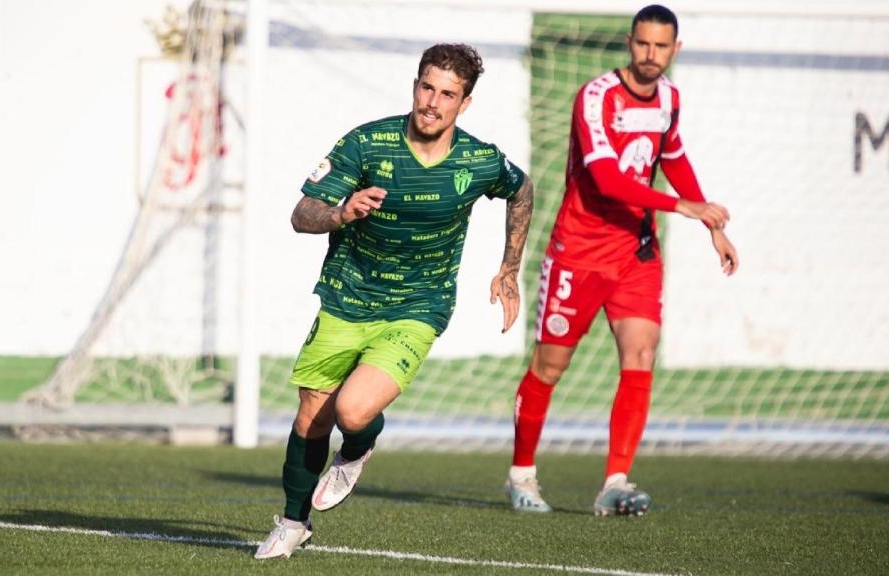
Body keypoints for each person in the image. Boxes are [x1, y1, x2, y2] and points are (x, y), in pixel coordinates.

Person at [255, 43, 535, 559]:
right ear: (415, 86)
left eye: (447, 94)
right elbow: (302, 212)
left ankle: (357, 450)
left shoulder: (478, 160)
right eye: (426, 87)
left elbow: (521, 189)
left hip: (418, 305)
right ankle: (294, 522)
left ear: (464, 103)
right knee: (311, 417)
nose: (433, 102)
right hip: (347, 295)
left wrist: (510, 266)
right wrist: (341, 213)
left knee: (353, 411)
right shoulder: (368, 143)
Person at [505, 4, 739, 517]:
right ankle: (521, 474)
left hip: (636, 251)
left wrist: (712, 226)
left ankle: (615, 482)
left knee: (640, 354)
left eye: (661, 46)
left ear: (675, 50)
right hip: (580, 251)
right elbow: (607, 180)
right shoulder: (595, 97)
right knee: (550, 365)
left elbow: (672, 157)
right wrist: (685, 207)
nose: (650, 55)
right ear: (630, 43)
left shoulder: (670, 99)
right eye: (642, 43)